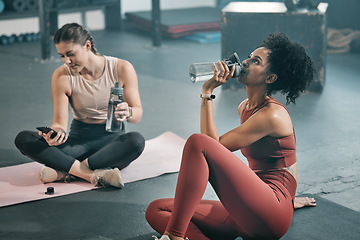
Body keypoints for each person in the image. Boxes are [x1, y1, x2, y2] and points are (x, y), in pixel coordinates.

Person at [145, 33, 315, 240]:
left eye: (255, 61)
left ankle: (174, 237)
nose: (245, 62)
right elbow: (211, 148)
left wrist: (286, 199)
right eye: (250, 56)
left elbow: (207, 146)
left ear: (270, 78)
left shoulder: (273, 114)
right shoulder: (245, 107)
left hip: (270, 212)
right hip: (246, 209)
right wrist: (207, 91)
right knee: (157, 210)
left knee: (197, 143)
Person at [15, 23, 145, 188]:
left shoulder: (122, 68)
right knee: (25, 138)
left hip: (111, 143)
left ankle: (65, 170)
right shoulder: (61, 75)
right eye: (62, 56)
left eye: (71, 54)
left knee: (136, 141)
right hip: (77, 143)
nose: (67, 61)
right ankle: (92, 175)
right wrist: (55, 134)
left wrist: (129, 112)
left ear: (87, 46)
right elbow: (59, 123)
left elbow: (137, 114)